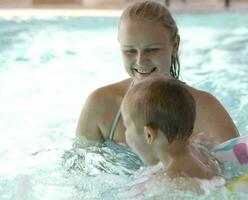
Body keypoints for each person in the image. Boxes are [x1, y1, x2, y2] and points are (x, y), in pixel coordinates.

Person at [75, 0, 239, 147]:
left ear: (174, 45)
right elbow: (77, 173)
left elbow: (239, 170)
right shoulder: (100, 105)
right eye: (130, 51)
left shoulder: (206, 110)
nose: (140, 61)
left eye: (152, 50)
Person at [121, 75, 223, 195]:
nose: (125, 133)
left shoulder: (166, 183)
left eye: (127, 126)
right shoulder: (200, 150)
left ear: (149, 134)